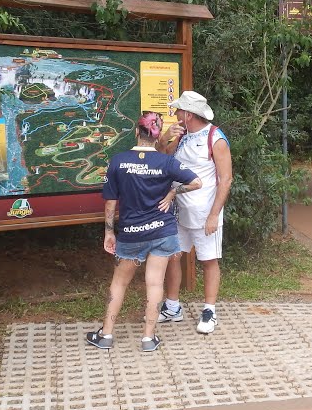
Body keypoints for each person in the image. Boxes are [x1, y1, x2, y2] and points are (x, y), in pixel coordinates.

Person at [85, 111, 202, 352]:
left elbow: (110, 201)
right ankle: (148, 338)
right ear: (158, 135)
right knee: (155, 283)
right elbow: (196, 182)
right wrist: (172, 193)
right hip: (163, 231)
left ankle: (106, 334)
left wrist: (109, 232)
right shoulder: (167, 162)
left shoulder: (118, 161)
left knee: (119, 283)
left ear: (137, 132)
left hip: (131, 234)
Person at [156, 91, 232, 334]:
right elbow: (162, 159)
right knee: (173, 256)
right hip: (178, 211)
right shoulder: (181, 135)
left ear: (188, 114)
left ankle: (209, 310)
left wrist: (213, 215)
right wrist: (165, 139)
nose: (175, 114)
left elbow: (226, 179)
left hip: (204, 213)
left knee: (208, 260)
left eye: (178, 110)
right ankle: (172, 306)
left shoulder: (215, 138)